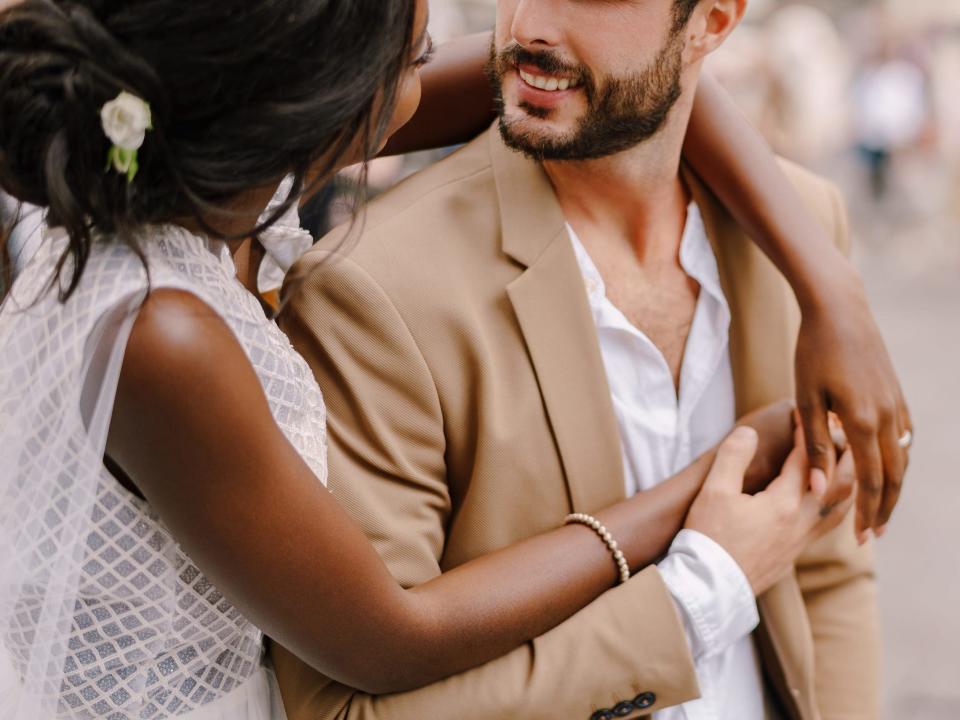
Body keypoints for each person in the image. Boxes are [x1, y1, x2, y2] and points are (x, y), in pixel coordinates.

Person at [0, 3, 900, 720]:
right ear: (320, 101)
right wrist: (710, 505)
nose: (485, 51)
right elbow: (388, 640)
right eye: (413, 57)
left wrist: (830, 288)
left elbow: (645, 77)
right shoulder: (163, 332)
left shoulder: (211, 161)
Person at [273, 1, 908, 718]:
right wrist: (704, 590)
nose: (527, 27)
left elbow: (826, 571)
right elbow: (347, 713)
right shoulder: (373, 291)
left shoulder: (804, 226)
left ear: (714, 21)